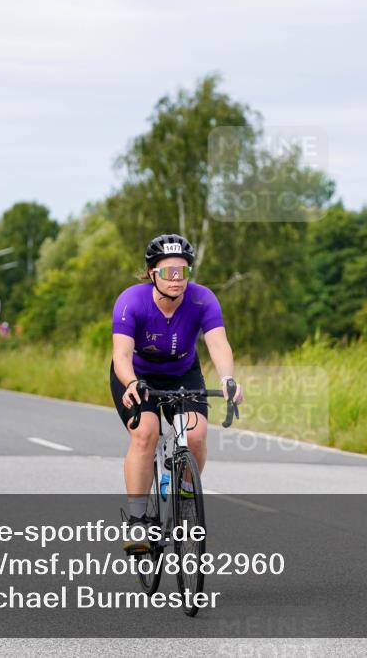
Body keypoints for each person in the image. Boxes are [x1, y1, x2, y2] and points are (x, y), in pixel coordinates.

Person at [110, 234, 243, 552]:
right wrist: (130, 383)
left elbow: (217, 343)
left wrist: (227, 378)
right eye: (168, 271)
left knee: (195, 435)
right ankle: (138, 520)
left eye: (182, 272)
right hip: (138, 376)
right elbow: (121, 356)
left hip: (183, 373)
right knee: (146, 432)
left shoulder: (203, 300)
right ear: (151, 273)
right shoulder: (131, 301)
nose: (176, 279)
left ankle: (184, 493)